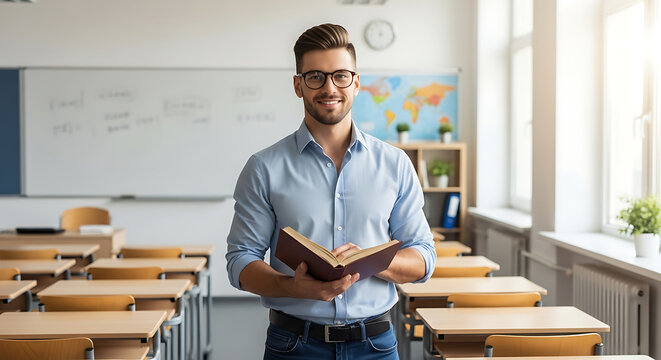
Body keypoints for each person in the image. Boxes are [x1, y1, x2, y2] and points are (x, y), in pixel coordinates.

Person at [226, 23, 436, 359]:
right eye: (315, 77)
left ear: (356, 83)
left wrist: (366, 262)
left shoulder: (394, 164)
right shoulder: (264, 167)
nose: (329, 87)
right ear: (298, 85)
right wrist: (290, 286)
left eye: (340, 75)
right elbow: (240, 261)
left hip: (376, 344)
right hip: (293, 344)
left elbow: (424, 257)